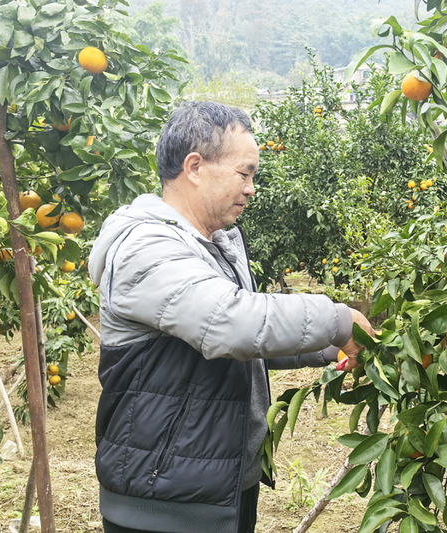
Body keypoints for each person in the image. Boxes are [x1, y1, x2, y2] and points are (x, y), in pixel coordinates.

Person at [88, 101, 372, 533]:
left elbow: (248, 344)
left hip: (220, 485)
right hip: (163, 503)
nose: (251, 188)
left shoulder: (214, 244)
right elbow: (229, 324)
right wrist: (337, 319)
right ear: (196, 166)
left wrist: (331, 346)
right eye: (245, 173)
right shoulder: (145, 247)